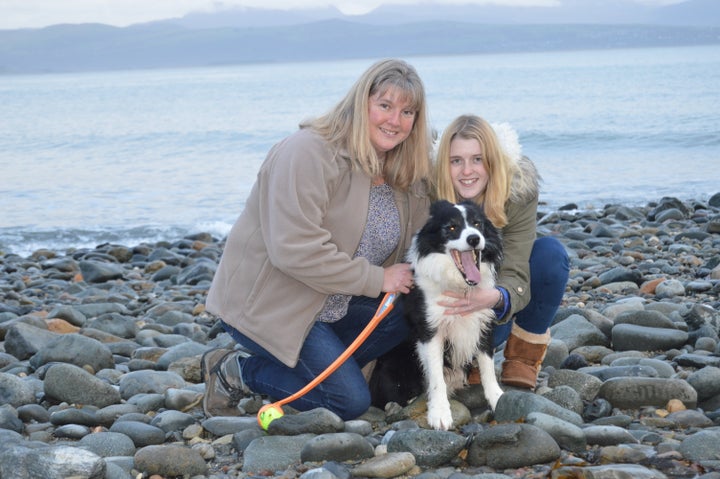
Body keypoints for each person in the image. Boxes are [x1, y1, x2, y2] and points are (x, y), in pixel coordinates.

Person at [202, 59, 433, 420]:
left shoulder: (403, 170)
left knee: (416, 307)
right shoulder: (308, 151)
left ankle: (324, 369)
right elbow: (293, 249)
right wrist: (378, 279)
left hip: (338, 303)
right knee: (348, 402)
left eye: (408, 112)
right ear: (361, 102)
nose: (395, 120)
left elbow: (439, 220)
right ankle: (236, 371)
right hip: (276, 305)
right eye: (384, 105)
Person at [433, 114, 569, 390]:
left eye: (477, 159)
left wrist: (496, 297)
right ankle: (462, 360)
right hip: (446, 315)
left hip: (493, 304)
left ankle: (523, 358)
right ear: (444, 164)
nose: (467, 171)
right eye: (456, 161)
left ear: (493, 160)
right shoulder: (429, 194)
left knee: (550, 254)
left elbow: (517, 263)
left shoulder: (517, 191)